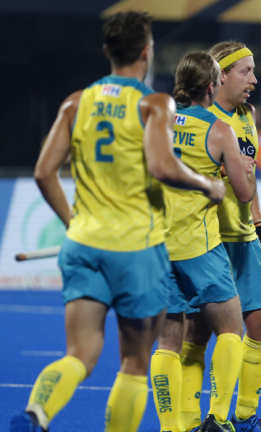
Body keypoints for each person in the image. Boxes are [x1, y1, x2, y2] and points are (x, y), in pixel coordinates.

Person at [10, 11, 225, 432]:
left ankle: (37, 412)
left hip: (84, 244)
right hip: (136, 252)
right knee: (133, 363)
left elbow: (43, 171)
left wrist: (72, 222)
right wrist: (206, 185)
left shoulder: (76, 102)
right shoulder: (152, 103)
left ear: (107, 51)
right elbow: (162, 166)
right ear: (147, 51)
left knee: (79, 354)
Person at [149, 51, 256, 432]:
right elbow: (243, 195)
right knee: (231, 329)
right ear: (212, 85)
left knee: (168, 341)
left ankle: (170, 426)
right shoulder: (219, 129)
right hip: (201, 245)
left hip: (160, 247)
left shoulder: (158, 123)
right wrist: (241, 169)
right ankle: (219, 419)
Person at [175, 41, 261, 432]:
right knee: (199, 332)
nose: (254, 79)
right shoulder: (204, 121)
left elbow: (249, 177)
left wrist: (259, 219)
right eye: (245, 72)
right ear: (220, 76)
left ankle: (245, 415)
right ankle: (190, 420)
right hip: (208, 241)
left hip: (244, 235)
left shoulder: (245, 115)